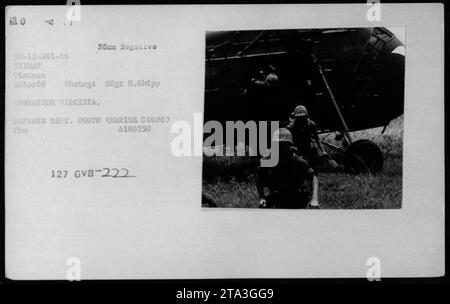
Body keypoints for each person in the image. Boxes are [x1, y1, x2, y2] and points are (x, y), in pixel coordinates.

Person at [256, 128, 319, 209]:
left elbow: (314, 177)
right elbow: (259, 179)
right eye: (277, 144)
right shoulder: (267, 160)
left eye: (283, 145)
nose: (280, 148)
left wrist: (314, 199)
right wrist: (262, 198)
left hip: (296, 196)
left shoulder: (298, 161)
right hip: (277, 195)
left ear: (289, 145)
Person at [287, 105, 331, 171]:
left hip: (308, 146)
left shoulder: (311, 124)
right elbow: (288, 140)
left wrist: (323, 150)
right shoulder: (291, 127)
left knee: (314, 160)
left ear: (305, 116)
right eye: (299, 117)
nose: (301, 119)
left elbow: (317, 138)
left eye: (302, 117)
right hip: (297, 147)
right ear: (296, 117)